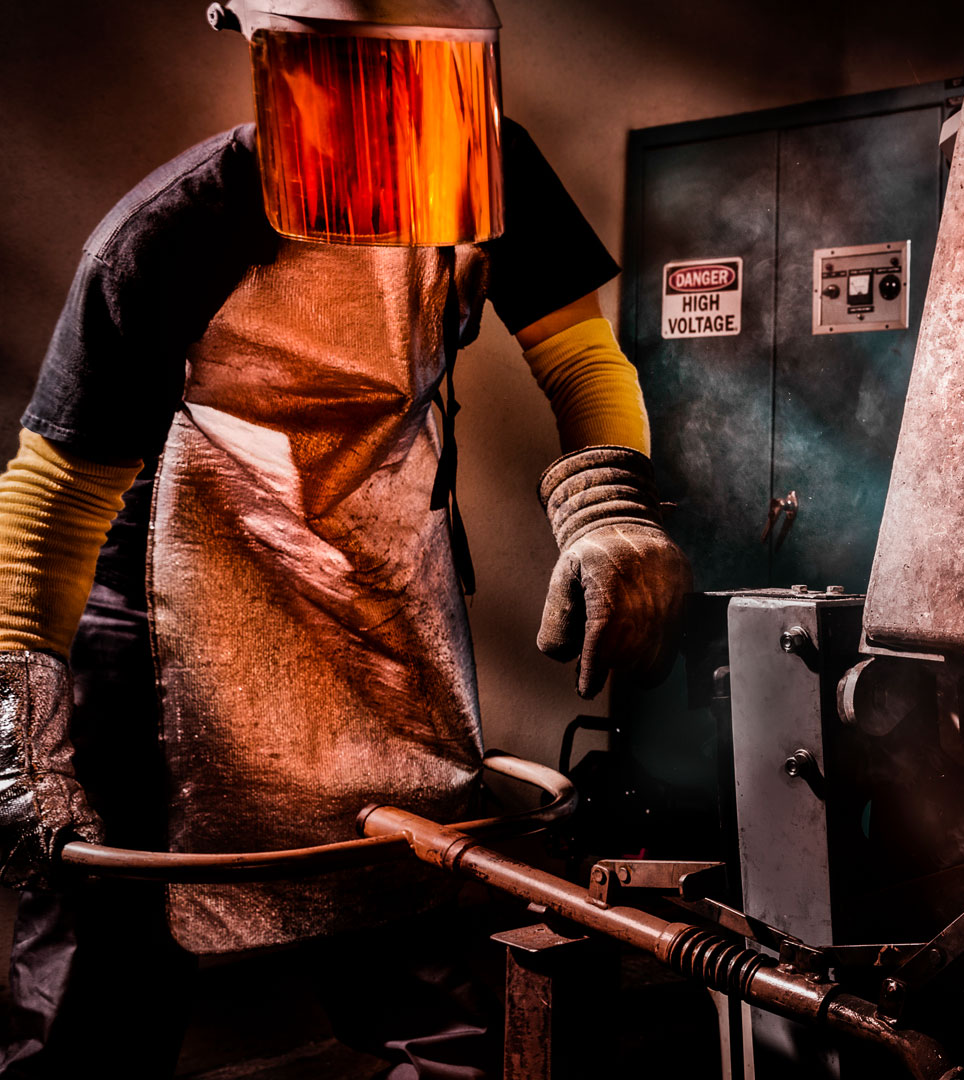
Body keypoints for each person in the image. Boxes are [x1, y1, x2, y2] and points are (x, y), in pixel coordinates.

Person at [0, 1, 690, 1075]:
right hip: (161, 626)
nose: (401, 126)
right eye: (364, 83)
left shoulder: (491, 166)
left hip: (371, 589)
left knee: (425, 932)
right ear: (279, 65)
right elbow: (54, 499)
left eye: (430, 83)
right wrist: (21, 736)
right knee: (103, 984)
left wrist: (608, 511)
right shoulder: (171, 229)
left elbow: (583, 358)